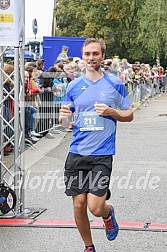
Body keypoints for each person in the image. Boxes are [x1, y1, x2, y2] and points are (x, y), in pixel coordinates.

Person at [59, 38, 133, 252]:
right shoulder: (73, 86)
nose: (91, 58)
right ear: (83, 56)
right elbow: (64, 122)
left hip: (102, 154)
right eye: (88, 54)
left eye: (95, 54)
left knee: (95, 207)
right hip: (77, 153)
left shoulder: (114, 83)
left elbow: (129, 114)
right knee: (79, 205)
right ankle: (88, 247)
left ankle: (108, 214)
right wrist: (62, 117)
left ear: (102, 56)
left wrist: (111, 112)